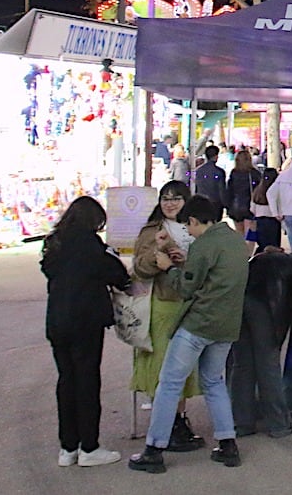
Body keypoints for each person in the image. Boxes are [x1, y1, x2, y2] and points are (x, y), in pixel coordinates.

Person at [130, 196, 249, 473]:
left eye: (188, 227)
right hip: (227, 325)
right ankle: (227, 444)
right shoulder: (234, 240)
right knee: (214, 383)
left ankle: (153, 449)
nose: (188, 232)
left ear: (194, 221)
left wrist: (168, 267)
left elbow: (186, 288)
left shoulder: (203, 245)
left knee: (169, 384)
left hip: (197, 326)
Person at [42, 195, 131, 467]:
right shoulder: (91, 246)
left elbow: (48, 270)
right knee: (87, 380)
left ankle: (67, 447)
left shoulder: (54, 243)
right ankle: (89, 447)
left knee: (66, 380)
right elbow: (118, 275)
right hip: (85, 321)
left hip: (57, 320)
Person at [130, 181, 205, 454]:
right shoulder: (152, 231)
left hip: (191, 305)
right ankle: (167, 425)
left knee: (183, 369)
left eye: (176, 198)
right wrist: (158, 256)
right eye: (165, 198)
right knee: (162, 367)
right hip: (163, 304)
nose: (170, 203)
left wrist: (186, 260)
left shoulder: (196, 228)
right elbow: (138, 267)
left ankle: (179, 420)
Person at [229, 245, 292, 439]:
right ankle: (278, 424)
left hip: (238, 305)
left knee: (242, 364)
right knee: (268, 365)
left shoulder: (254, 261)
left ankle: (242, 423)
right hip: (267, 311)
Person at [225, 149, 259, 235]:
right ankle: (247, 248)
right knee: (249, 234)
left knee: (239, 233)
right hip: (249, 206)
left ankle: (241, 247)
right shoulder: (254, 173)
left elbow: (229, 191)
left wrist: (228, 206)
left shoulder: (234, 173)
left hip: (236, 206)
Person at [194, 145, 228, 213]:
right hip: (215, 203)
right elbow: (221, 190)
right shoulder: (219, 172)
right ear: (216, 156)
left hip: (201, 202)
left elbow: (196, 187)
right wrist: (225, 204)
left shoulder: (199, 171)